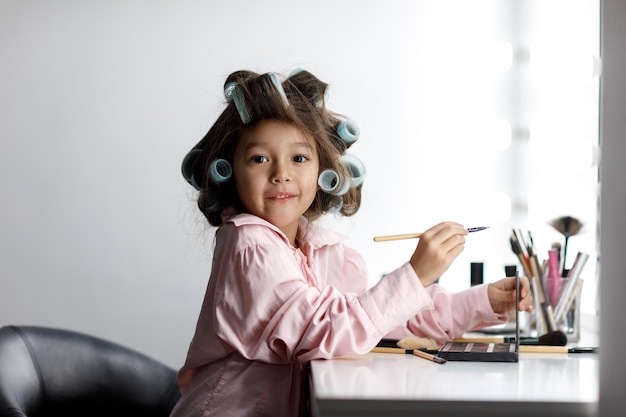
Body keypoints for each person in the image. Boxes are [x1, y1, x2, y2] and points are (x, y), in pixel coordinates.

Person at [170, 69, 533, 417]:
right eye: (259, 159)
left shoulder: (321, 249)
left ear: (321, 171)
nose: (281, 174)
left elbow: (382, 323)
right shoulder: (248, 244)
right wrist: (416, 274)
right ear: (231, 172)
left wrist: (482, 301)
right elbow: (328, 327)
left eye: (299, 158)